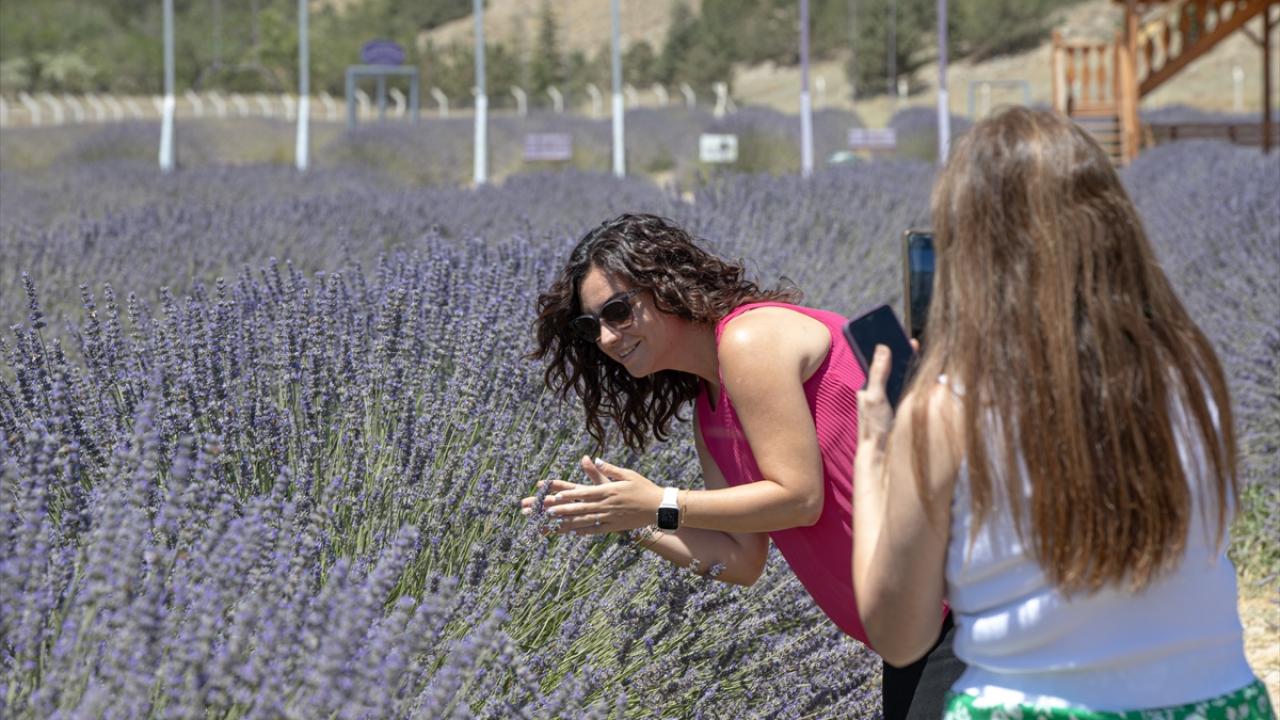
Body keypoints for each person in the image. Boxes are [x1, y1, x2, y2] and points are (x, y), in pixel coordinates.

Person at [851, 107, 1274, 719]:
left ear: (968, 253)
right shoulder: (1189, 369)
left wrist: (875, 456)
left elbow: (898, 635)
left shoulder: (948, 407)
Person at [519, 213, 963, 718]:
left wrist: (662, 501)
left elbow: (799, 498)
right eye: (590, 326)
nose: (604, 337)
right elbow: (741, 561)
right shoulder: (710, 410)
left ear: (665, 284)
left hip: (959, 602)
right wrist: (630, 518)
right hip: (909, 629)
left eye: (617, 311)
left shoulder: (749, 340)